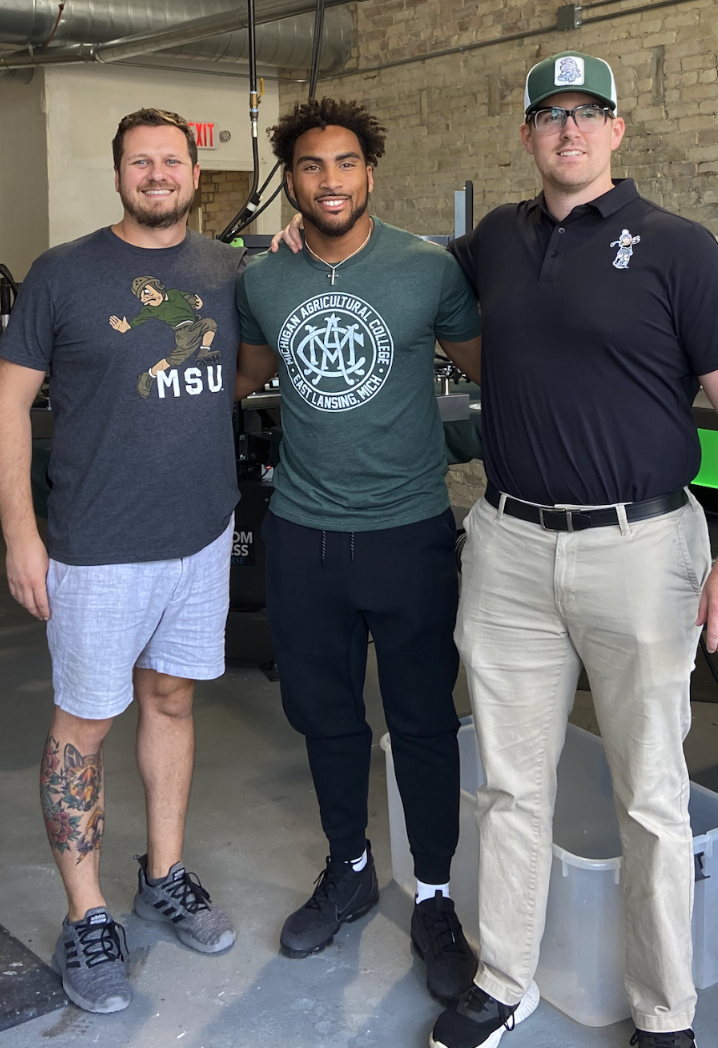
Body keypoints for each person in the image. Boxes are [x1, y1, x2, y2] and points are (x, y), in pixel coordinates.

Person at [426, 51, 718, 1048]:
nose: (567, 130)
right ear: (526, 134)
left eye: (587, 113)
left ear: (617, 130)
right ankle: (502, 979)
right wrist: (310, 241)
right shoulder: (494, 239)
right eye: (549, 114)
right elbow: (415, 287)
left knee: (652, 797)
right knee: (507, 784)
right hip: (509, 546)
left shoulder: (677, 246)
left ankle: (664, 1013)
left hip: (639, 546)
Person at [0, 108, 245, 1015]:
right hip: (97, 550)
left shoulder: (225, 268)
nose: (159, 173)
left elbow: (239, 366)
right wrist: (24, 534)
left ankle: (163, 873)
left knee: (170, 698)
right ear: (120, 174)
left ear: (192, 171)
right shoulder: (63, 272)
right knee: (84, 725)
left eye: (172, 159)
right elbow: (8, 405)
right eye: (142, 161)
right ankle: (87, 914)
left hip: (202, 537)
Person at [235, 97, 482, 1006]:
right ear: (290, 179)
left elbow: (498, 362)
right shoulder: (265, 277)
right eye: (310, 166)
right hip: (304, 534)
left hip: (409, 530)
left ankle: (436, 897)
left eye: (345, 163)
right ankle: (347, 866)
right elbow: (247, 371)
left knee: (420, 720)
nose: (329, 181)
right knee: (326, 717)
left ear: (370, 171)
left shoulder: (426, 268)